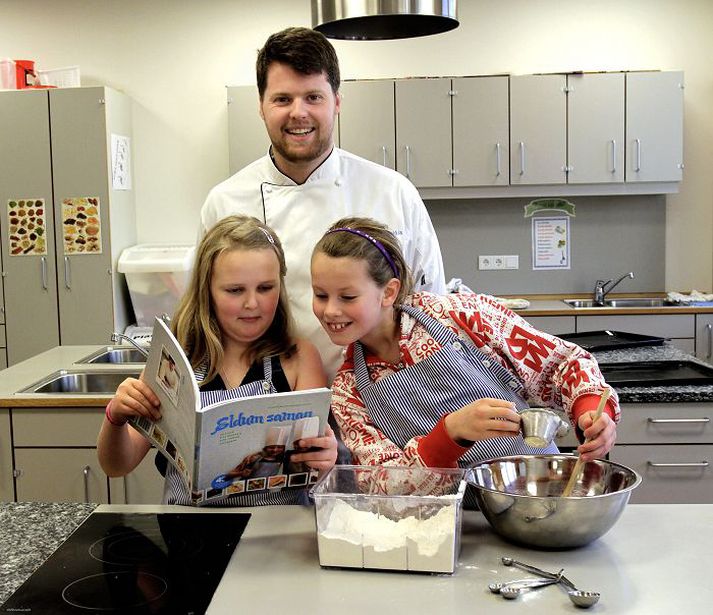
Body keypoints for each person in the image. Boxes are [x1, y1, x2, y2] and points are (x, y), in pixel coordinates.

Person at [310, 217, 618, 501]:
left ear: (388, 292)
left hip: (540, 496)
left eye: (347, 297)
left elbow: (565, 363)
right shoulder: (348, 391)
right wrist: (449, 435)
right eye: (320, 295)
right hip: (455, 526)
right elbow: (381, 485)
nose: (330, 311)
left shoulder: (461, 317)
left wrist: (590, 411)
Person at [200, 26, 446, 379]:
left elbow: (432, 308)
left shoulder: (394, 192)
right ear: (261, 106)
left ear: (337, 102)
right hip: (275, 407)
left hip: (388, 403)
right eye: (282, 99)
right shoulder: (224, 202)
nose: (298, 112)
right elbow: (205, 317)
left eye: (313, 97)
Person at [97, 215, 337, 506]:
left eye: (265, 288)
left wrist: (325, 456)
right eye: (235, 290)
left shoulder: (299, 357)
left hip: (277, 530)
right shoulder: (175, 362)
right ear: (207, 291)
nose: (252, 303)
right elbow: (117, 465)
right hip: (188, 534)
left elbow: (312, 462)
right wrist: (116, 417)